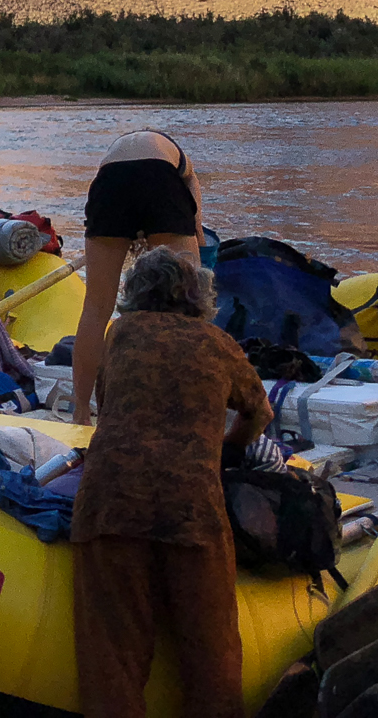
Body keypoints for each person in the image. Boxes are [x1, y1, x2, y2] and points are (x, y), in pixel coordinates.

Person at [69, 246, 273, 718]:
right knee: (212, 657)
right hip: (191, 507)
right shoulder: (218, 344)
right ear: (198, 297)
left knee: (112, 660)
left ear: (135, 294)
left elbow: (108, 407)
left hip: (110, 501)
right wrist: (226, 449)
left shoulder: (120, 334)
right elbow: (259, 413)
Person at [71, 130, 203, 427]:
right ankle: (189, 403)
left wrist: (132, 232)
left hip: (109, 185)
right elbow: (191, 191)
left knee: (96, 307)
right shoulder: (179, 161)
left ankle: (80, 412)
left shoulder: (117, 152)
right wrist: (197, 231)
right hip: (159, 180)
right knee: (189, 303)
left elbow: (127, 193)